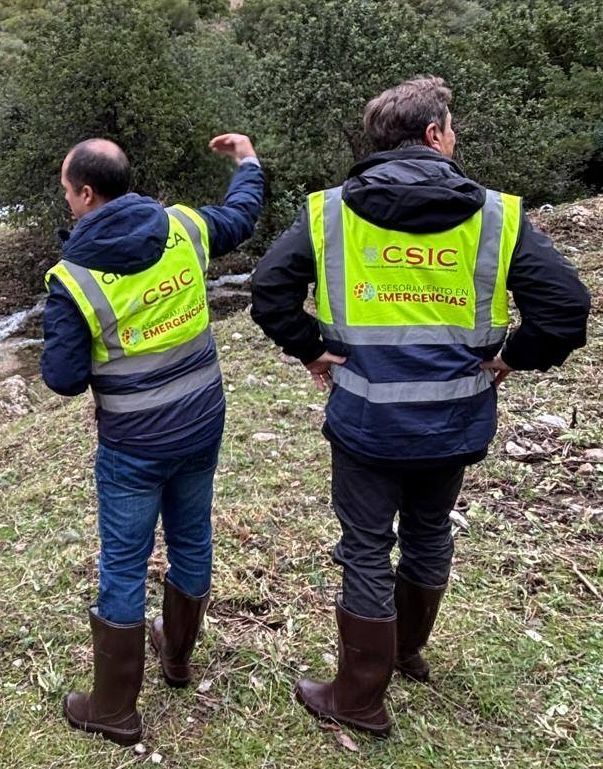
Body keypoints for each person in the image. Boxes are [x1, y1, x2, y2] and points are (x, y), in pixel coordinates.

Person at [250, 76, 591, 737]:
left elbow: (268, 290)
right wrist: (514, 356)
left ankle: (358, 697)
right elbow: (567, 309)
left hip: (365, 421)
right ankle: (403, 654)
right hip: (454, 420)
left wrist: (311, 350)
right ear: (434, 134)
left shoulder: (328, 211)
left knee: (366, 546)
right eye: (451, 126)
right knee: (429, 532)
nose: (454, 136)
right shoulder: (498, 215)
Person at [42, 135, 265, 745]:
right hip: (200, 421)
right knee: (192, 536)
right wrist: (247, 163)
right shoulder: (185, 229)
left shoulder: (73, 278)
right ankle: (177, 659)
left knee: (123, 563)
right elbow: (242, 215)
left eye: (66, 191)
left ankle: (114, 708)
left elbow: (62, 379)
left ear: (86, 193)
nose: (66, 201)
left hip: (134, 443)